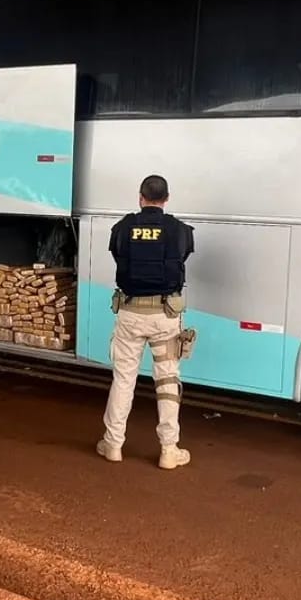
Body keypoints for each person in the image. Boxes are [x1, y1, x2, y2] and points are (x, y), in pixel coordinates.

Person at [97, 174, 194, 469]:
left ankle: (113, 444)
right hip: (165, 316)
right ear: (167, 198)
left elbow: (118, 256)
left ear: (140, 197)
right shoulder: (179, 230)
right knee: (167, 380)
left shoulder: (123, 228)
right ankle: (169, 450)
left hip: (130, 314)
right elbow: (181, 258)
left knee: (124, 379)